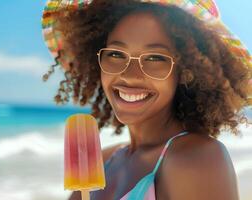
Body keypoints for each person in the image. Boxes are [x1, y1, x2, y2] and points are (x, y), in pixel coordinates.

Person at [41, 0, 252, 199]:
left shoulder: (197, 159)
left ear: (187, 71)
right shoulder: (104, 160)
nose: (129, 75)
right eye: (116, 54)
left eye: (155, 58)